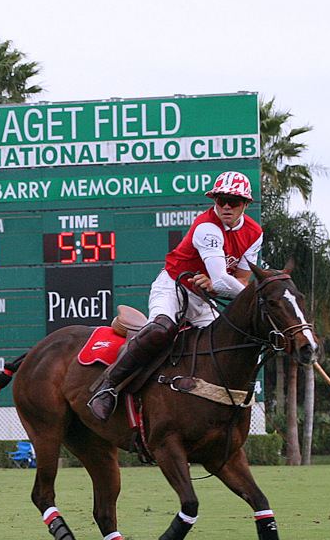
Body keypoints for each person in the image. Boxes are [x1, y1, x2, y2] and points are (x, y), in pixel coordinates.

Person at [88, 171, 263, 421]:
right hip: (174, 287)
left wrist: (220, 287)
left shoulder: (255, 232)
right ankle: (107, 388)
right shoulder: (207, 227)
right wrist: (256, 297)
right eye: (220, 199)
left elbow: (242, 281)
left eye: (233, 201)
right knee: (160, 330)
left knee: (226, 342)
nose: (226, 206)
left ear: (246, 204)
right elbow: (222, 280)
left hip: (203, 299)